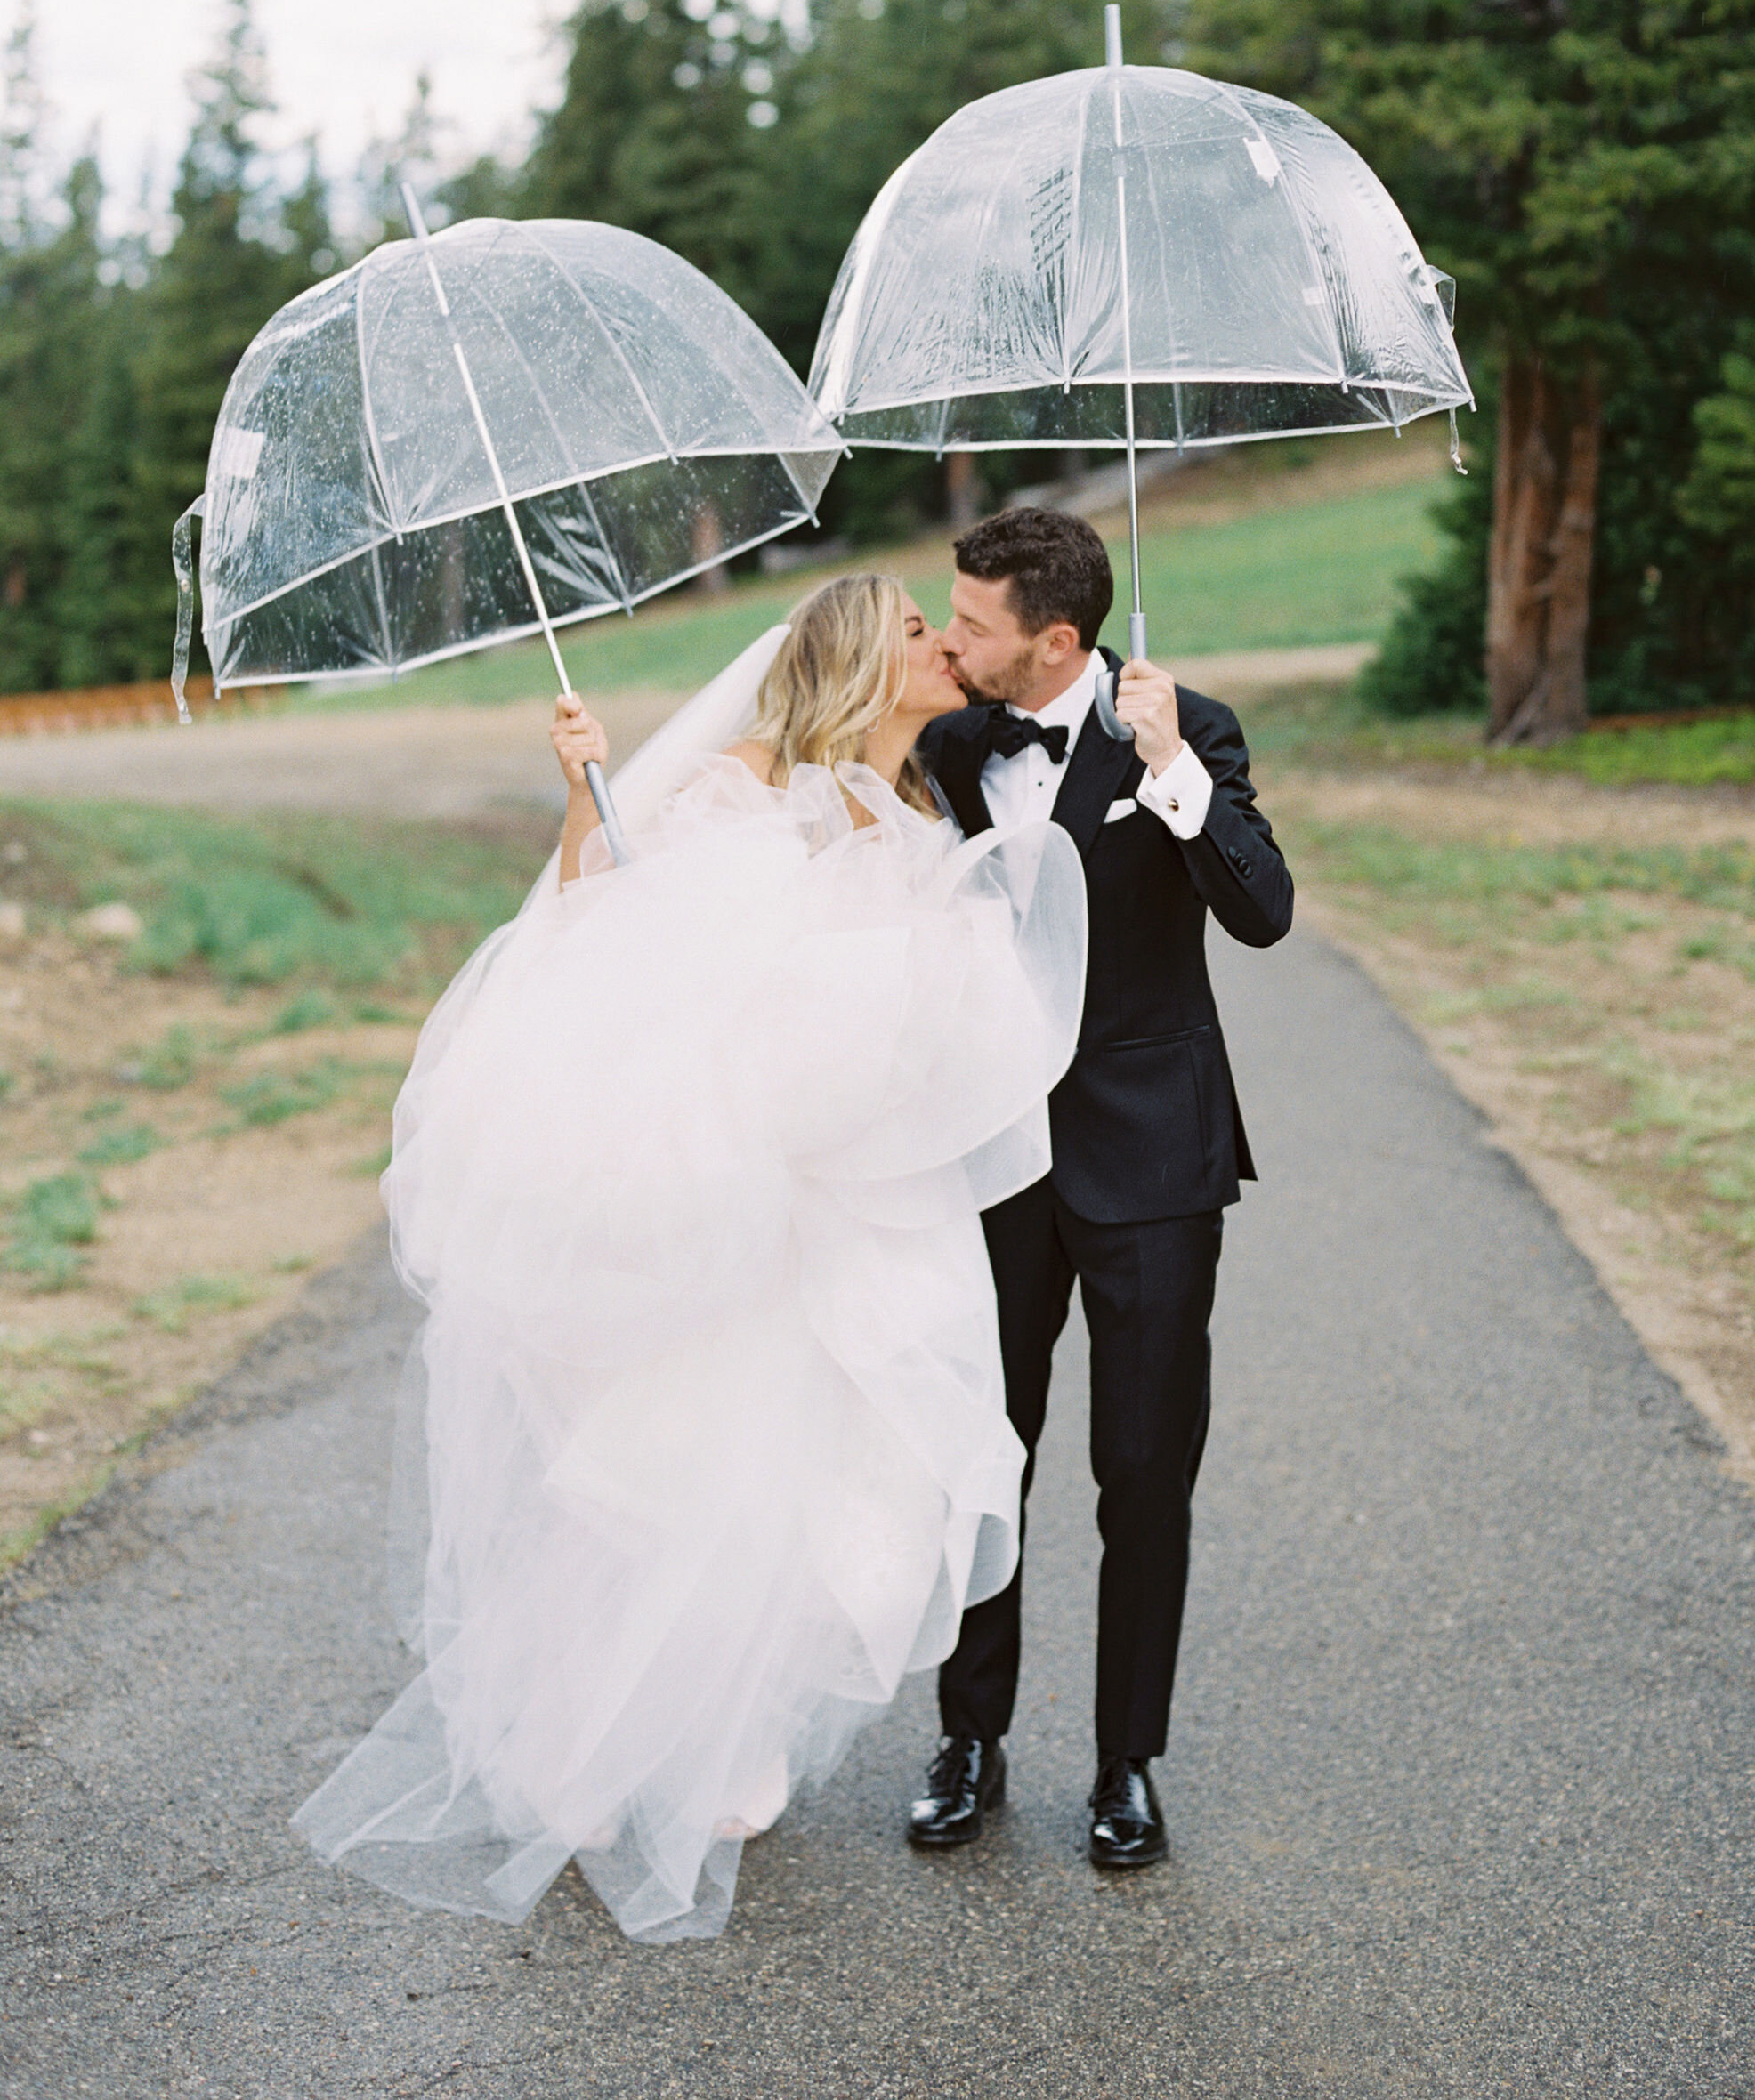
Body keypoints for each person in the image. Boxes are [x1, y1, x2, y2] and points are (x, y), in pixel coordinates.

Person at [294, 574, 1088, 1943]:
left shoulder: (910, 807)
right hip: (741, 1198)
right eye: (915, 629)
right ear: (854, 654)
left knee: (826, 1469)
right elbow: (606, 924)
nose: (942, 646)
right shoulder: (742, 783)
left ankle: (724, 1732)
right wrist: (579, 789)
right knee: (677, 1462)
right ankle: (580, 1746)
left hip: (862, 1197)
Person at [907, 508, 1293, 1871]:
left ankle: (1126, 1761)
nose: (948, 640)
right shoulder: (949, 746)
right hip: (988, 1161)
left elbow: (1261, 911)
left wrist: (1173, 764)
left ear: (1055, 639)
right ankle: (967, 1736)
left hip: (1150, 1161)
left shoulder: (1187, 730)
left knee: (1141, 1472)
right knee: (976, 1463)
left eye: (970, 625)